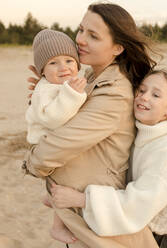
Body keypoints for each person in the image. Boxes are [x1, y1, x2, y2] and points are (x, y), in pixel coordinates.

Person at [23, 3, 159, 248]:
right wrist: (47, 95)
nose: (81, 40)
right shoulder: (88, 79)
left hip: (101, 223)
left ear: (118, 48)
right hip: (79, 213)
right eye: (81, 30)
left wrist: (31, 163)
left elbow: (59, 145)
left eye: (93, 36)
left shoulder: (114, 93)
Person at [49, 69, 167, 238]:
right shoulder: (137, 131)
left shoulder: (165, 149)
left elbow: (141, 202)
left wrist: (82, 200)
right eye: (142, 90)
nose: (144, 97)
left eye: (156, 95)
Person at [26, 28, 87, 244]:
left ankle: (50, 196)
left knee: (64, 185)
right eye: (53, 63)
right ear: (42, 70)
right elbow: (54, 118)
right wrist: (73, 95)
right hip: (47, 147)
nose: (63, 68)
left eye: (69, 60)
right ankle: (57, 226)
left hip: (56, 147)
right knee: (67, 186)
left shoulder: (61, 84)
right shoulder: (46, 90)